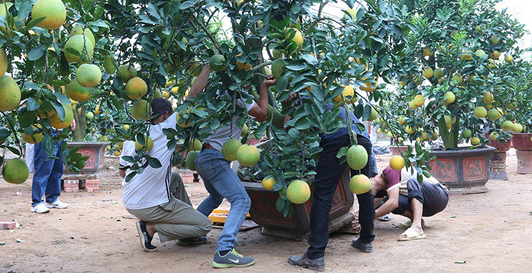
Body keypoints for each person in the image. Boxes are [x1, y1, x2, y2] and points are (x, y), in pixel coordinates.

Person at [190, 64, 276, 269]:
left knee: (215, 197)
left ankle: (189, 234)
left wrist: (207, 69)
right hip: (216, 160)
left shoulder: (215, 93)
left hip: (203, 157)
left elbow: (192, 94)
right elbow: (263, 114)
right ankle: (225, 250)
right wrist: (264, 87)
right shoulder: (239, 95)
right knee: (241, 200)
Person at [288, 106, 377, 271]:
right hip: (361, 138)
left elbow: (290, 128)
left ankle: (314, 255)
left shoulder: (304, 98)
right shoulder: (330, 94)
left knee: (323, 194)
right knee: (364, 189)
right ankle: (366, 240)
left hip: (337, 139)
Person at [121, 98, 212, 252]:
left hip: (129, 200)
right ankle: (151, 227)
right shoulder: (167, 129)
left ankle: (187, 236)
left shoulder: (134, 135)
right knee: (204, 225)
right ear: (165, 115)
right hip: (149, 207)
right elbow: (193, 96)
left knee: (174, 177)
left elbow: (123, 173)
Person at [371, 165, 449, 241]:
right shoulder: (382, 189)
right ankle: (417, 221)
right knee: (388, 202)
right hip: (426, 208)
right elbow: (372, 208)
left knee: (412, 182)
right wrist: (360, 219)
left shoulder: (391, 170)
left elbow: (393, 202)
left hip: (439, 197)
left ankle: (417, 227)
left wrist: (368, 218)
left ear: (370, 178)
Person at [31, 131, 69, 213]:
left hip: (59, 133)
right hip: (45, 133)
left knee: (57, 168)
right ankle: (36, 203)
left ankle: (52, 199)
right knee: (43, 169)